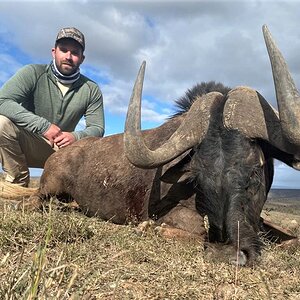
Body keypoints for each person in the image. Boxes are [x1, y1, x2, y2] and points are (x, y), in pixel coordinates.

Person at [0, 27, 105, 187]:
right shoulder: (32, 72)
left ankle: (68, 191)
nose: (68, 57)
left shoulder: (91, 88)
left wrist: (75, 137)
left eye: (75, 52)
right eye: (63, 50)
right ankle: (17, 185)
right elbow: (3, 101)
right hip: (30, 144)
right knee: (1, 124)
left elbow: (97, 128)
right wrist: (43, 126)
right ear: (53, 52)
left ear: (82, 58)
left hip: (64, 151)